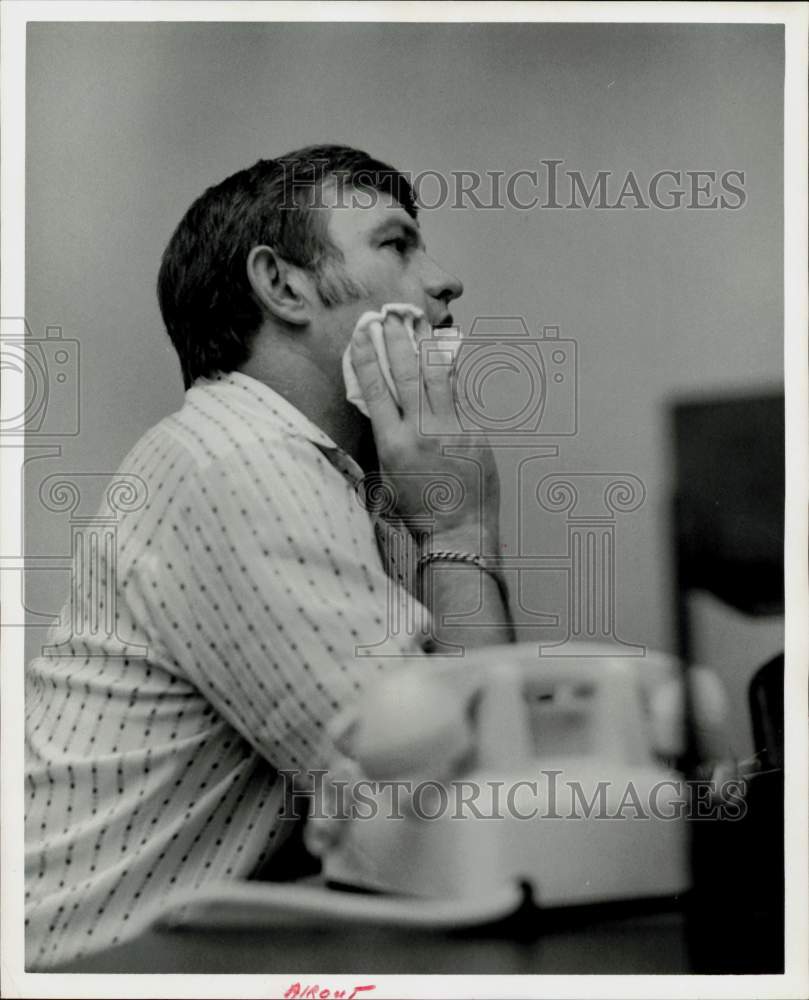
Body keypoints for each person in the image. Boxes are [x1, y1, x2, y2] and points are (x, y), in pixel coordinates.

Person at [24, 144, 514, 968]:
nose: (442, 279)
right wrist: (460, 530)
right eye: (396, 244)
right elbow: (466, 821)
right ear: (282, 286)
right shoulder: (244, 464)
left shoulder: (334, 478)